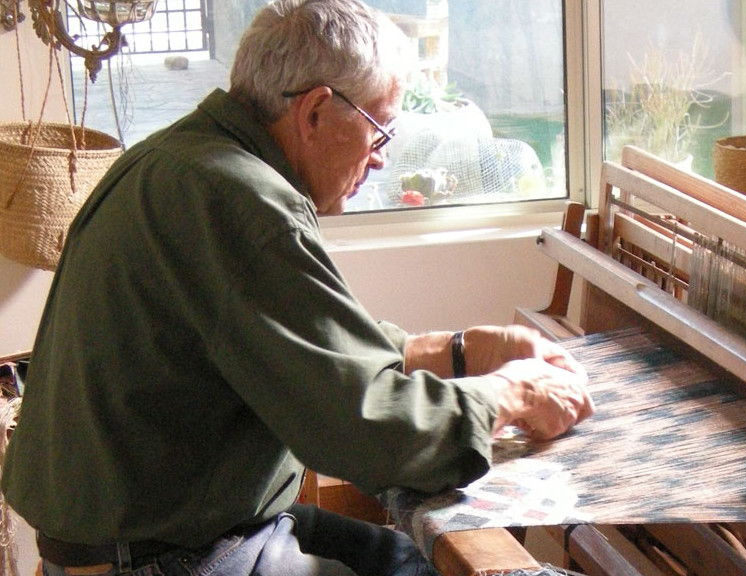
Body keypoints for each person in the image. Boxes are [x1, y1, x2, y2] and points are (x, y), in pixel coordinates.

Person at [0, 0, 594, 575]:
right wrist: (510, 396)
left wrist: (462, 350)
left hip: (178, 531)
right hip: (163, 557)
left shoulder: (181, 158)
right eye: (378, 132)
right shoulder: (241, 201)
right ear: (314, 112)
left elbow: (301, 348)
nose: (381, 159)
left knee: (420, 561)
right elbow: (368, 433)